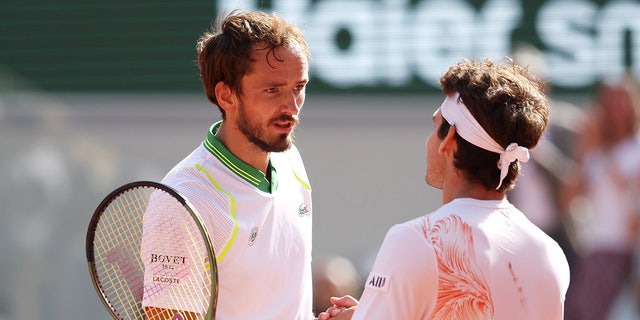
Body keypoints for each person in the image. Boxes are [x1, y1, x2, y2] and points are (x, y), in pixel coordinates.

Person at [318, 58, 571, 320]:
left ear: (449, 140)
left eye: (435, 125)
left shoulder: (414, 240)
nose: (429, 140)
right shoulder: (549, 251)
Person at [140, 10, 314, 319]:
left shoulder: (291, 161)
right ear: (227, 95)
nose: (292, 108)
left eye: (298, 87)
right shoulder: (181, 201)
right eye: (272, 90)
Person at [562, 77, 640, 320]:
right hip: (594, 248)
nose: (616, 109)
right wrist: (584, 151)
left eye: (622, 102)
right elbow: (568, 199)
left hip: (625, 250)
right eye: (611, 102)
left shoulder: (635, 149)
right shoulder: (593, 152)